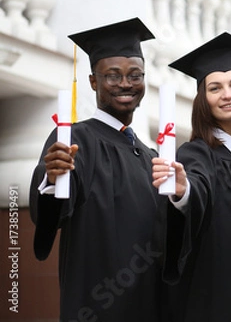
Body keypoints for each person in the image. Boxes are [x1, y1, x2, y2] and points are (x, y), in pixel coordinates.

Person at [29, 17, 170, 321]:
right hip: (96, 307)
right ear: (93, 81)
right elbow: (56, 210)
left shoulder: (151, 156)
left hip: (149, 307)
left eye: (135, 75)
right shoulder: (75, 140)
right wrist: (51, 179)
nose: (125, 84)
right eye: (113, 75)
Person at [151, 32, 231, 322]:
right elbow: (197, 186)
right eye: (215, 88)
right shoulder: (197, 153)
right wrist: (184, 191)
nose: (228, 95)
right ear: (203, 100)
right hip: (218, 297)